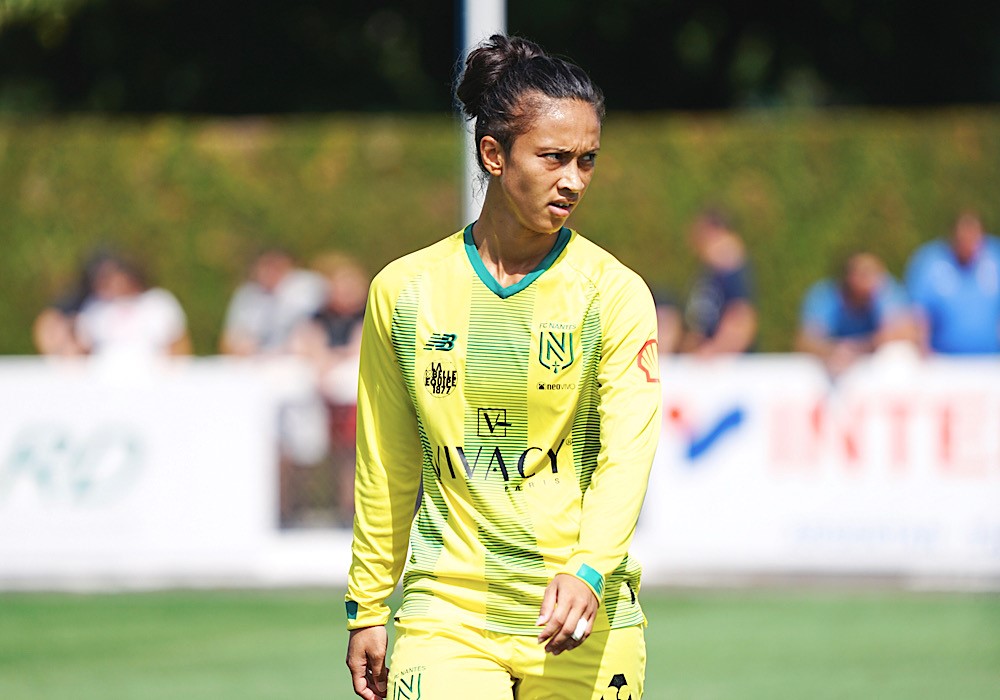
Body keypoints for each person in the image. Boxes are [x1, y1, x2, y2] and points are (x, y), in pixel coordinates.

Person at [345, 34, 661, 700]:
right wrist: (368, 603)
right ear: (493, 154)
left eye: (587, 160)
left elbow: (628, 455)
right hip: (446, 614)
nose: (573, 179)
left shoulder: (613, 292)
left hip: (583, 609)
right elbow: (387, 462)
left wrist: (591, 572)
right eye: (553, 157)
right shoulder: (403, 292)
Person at [796, 252, 917, 375]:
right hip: (834, 370)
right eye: (865, 275)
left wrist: (857, 349)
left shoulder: (884, 291)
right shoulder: (824, 297)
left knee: (899, 353)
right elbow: (806, 342)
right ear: (849, 278)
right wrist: (836, 351)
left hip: (873, 371)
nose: (873, 281)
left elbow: (905, 332)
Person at [905, 211, 1000, 354]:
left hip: (990, 360)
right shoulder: (931, 262)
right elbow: (919, 313)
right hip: (944, 361)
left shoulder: (995, 258)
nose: (969, 243)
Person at [74, 253, 191, 357]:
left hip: (153, 379)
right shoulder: (95, 307)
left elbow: (179, 343)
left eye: (111, 276)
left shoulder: (158, 303)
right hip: (104, 379)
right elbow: (83, 349)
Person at [219, 247, 328, 357]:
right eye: (265, 268)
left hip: (297, 357)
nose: (269, 273)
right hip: (256, 360)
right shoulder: (246, 295)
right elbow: (229, 338)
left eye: (275, 268)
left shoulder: (306, 287)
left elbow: (320, 324)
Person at [679, 207, 758, 356]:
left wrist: (716, 349)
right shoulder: (709, 272)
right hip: (708, 363)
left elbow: (741, 319)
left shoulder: (732, 271)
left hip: (725, 367)